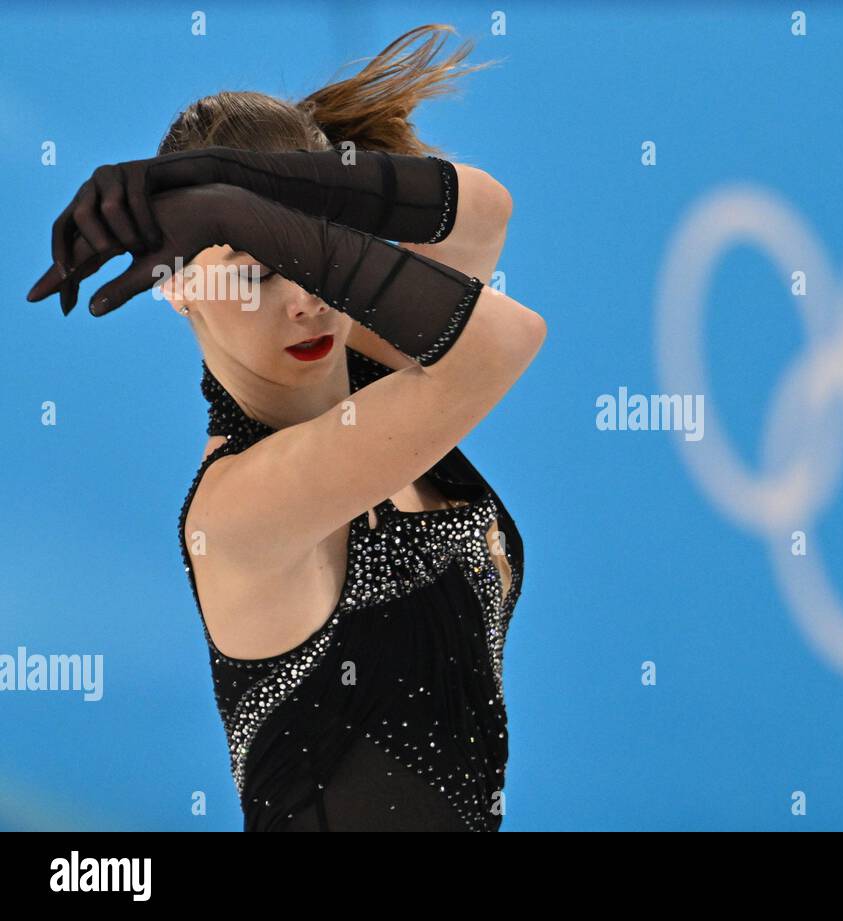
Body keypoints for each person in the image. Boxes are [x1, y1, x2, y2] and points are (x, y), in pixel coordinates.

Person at [25, 24, 545, 831]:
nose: (307, 300)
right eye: (257, 271)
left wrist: (240, 184)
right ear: (175, 287)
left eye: (317, 252)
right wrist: (270, 210)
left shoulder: (372, 367)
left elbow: (485, 217)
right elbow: (504, 340)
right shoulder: (238, 514)